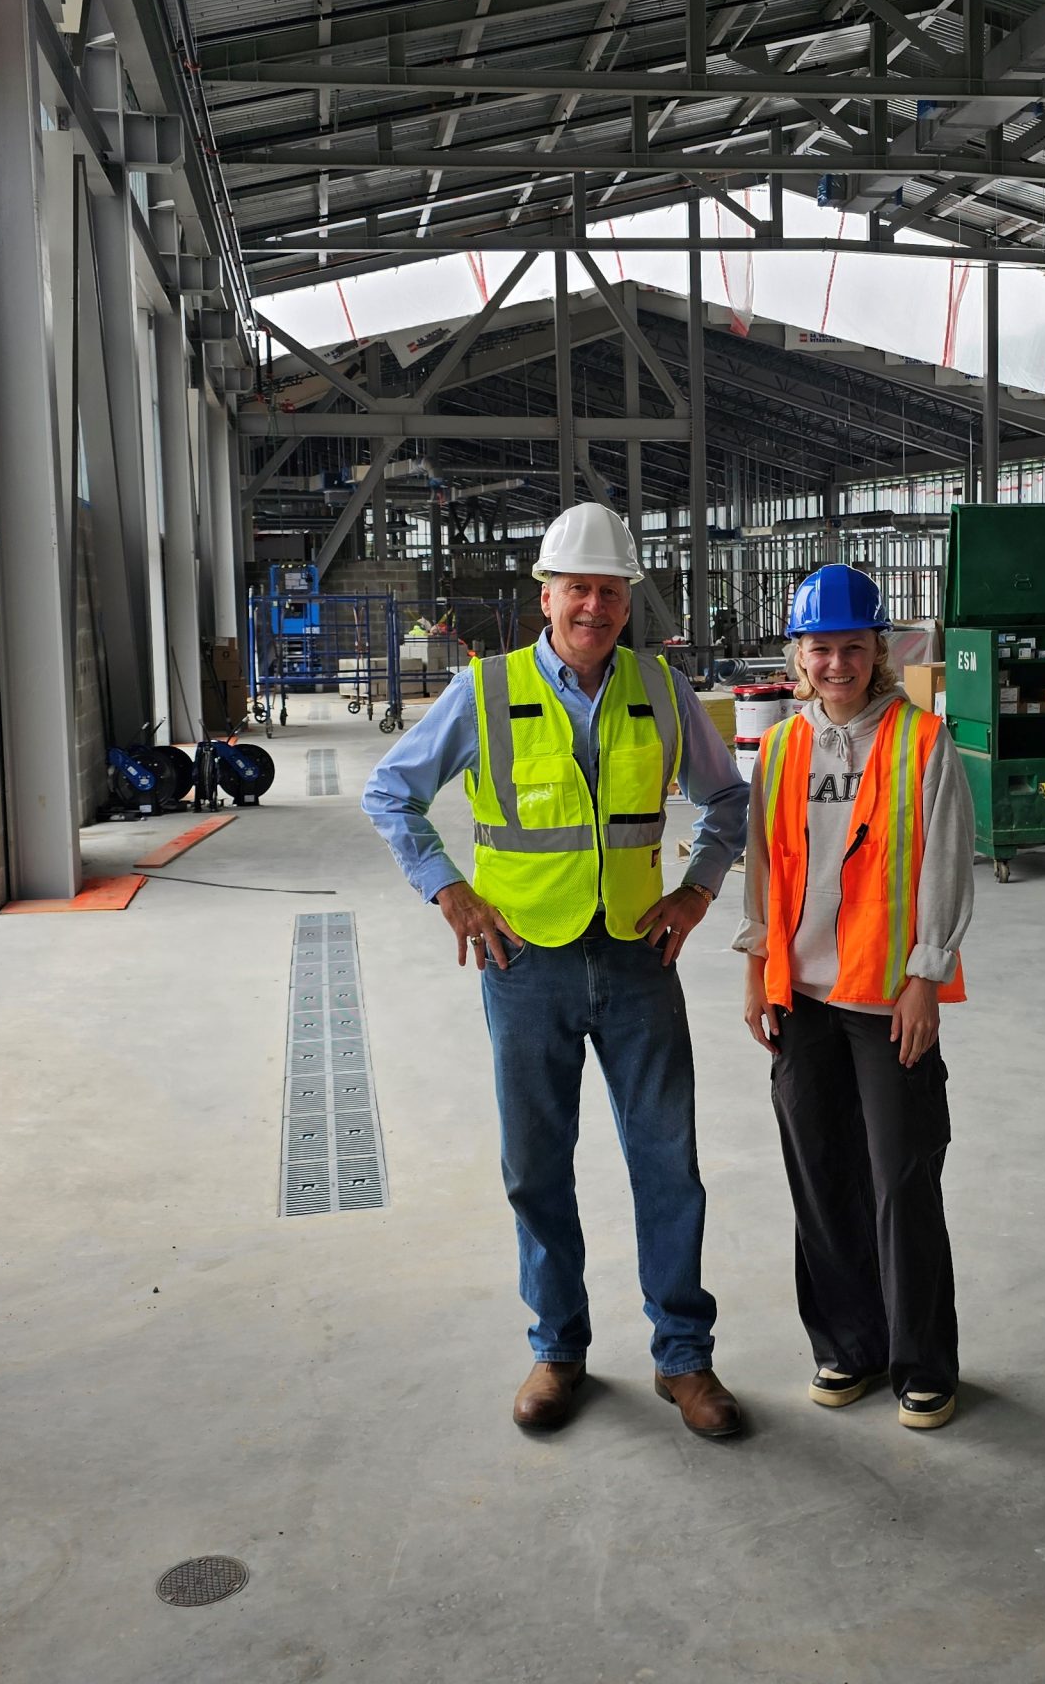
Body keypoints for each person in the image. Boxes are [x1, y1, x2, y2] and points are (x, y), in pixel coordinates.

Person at [362, 502, 753, 1441]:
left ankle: (684, 1361)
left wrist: (696, 892)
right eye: (578, 588)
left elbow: (729, 798)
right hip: (524, 961)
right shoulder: (485, 691)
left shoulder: (662, 690)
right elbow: (391, 792)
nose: (594, 606)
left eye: (610, 591)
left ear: (628, 603)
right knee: (536, 1166)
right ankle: (559, 1350)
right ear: (546, 596)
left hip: (635, 956)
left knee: (667, 1162)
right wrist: (449, 893)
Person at [736, 565, 975, 1431]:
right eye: (819, 646)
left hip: (886, 999)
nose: (835, 662)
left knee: (903, 1179)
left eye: (851, 646)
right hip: (801, 997)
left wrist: (924, 975)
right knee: (821, 1178)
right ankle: (847, 1345)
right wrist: (756, 968)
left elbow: (945, 862)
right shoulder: (785, 748)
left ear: (879, 651)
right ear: (797, 654)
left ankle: (922, 1363)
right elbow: (763, 865)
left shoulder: (919, 741)